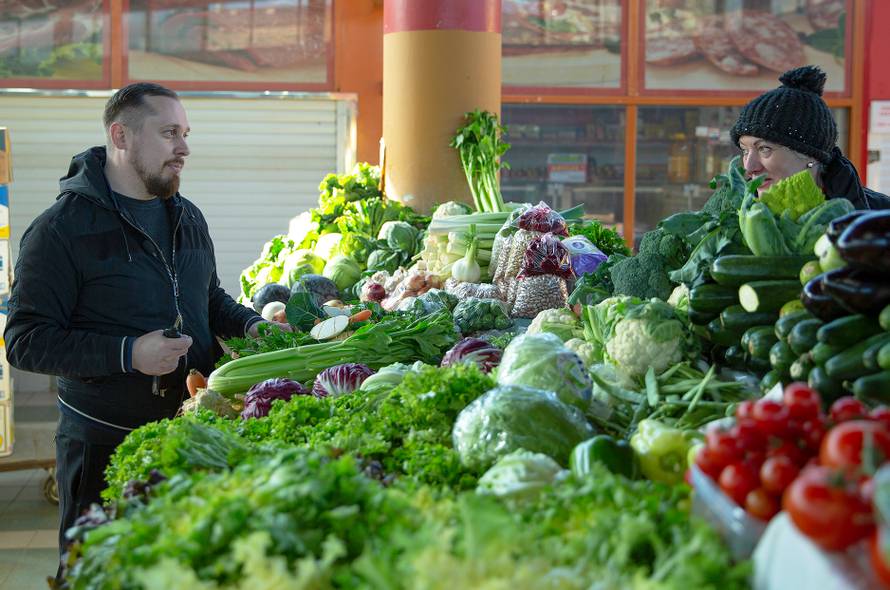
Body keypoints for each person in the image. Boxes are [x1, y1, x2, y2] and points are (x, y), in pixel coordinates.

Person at [2, 83, 289, 570]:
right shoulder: (60, 230)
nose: (184, 148)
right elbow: (25, 341)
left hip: (191, 433)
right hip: (104, 446)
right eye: (169, 133)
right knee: (96, 571)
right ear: (121, 135)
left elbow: (209, 297)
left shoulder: (187, 215)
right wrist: (128, 353)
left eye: (186, 133)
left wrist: (251, 326)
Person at [731, 65, 890, 210]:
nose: (749, 167)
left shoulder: (882, 217)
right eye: (745, 151)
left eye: (764, 148)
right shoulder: (734, 220)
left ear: (810, 155)